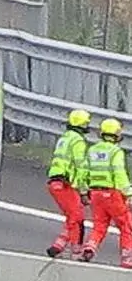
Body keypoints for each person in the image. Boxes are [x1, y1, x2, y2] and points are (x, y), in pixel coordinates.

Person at [81, 118, 132, 268]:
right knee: (126, 226)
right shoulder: (115, 151)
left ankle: (89, 247)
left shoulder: (92, 150)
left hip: (95, 193)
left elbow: (84, 172)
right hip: (112, 193)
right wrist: (128, 193)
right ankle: (127, 257)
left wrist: (84, 191)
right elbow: (119, 173)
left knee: (99, 225)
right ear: (117, 134)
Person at [46, 109, 91, 259]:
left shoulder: (64, 138)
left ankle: (58, 245)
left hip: (55, 182)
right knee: (77, 218)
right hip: (65, 183)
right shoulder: (78, 141)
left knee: (72, 215)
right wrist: (84, 191)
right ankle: (76, 251)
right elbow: (81, 167)